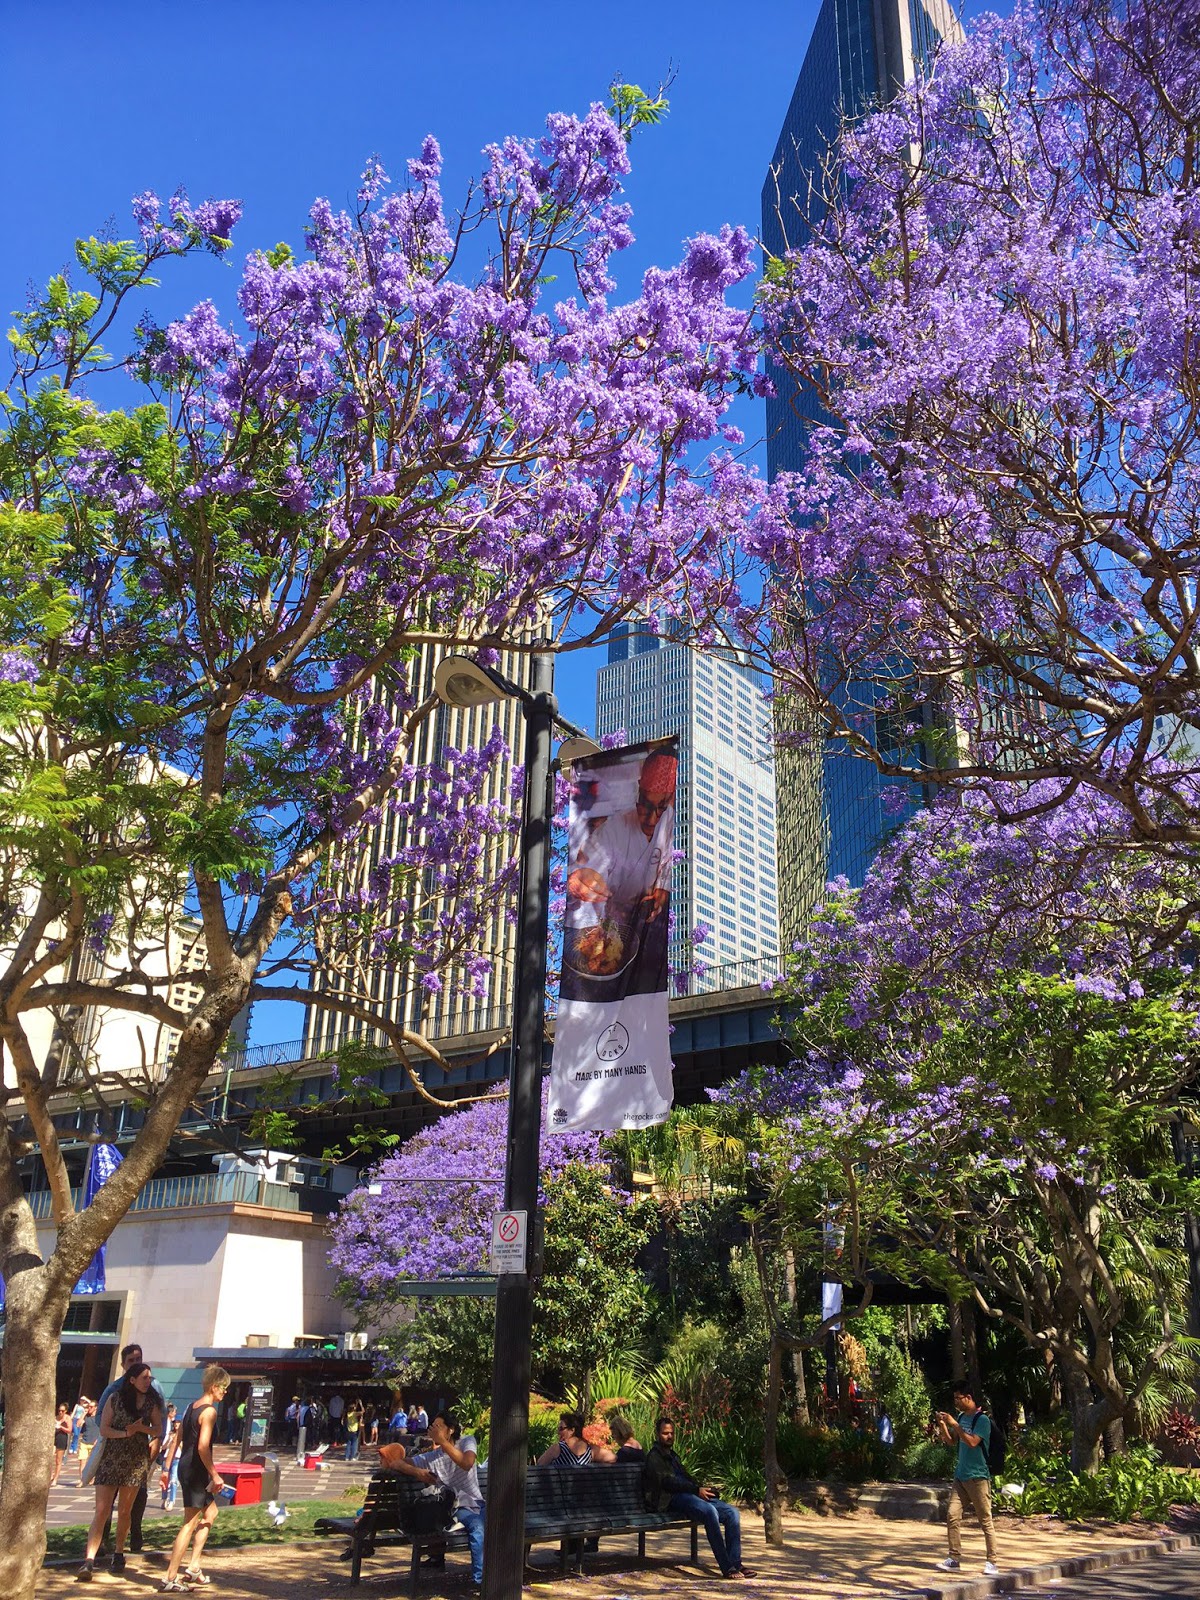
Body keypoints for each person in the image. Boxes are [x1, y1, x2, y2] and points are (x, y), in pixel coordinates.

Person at [77, 1361, 162, 1581]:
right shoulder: (115, 1398)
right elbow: (104, 1429)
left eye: (149, 1377)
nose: (148, 1381)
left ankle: (118, 1552)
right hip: (112, 1458)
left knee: (125, 1511)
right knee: (101, 1510)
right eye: (144, 1377)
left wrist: (141, 1429)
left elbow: (158, 1429)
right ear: (132, 1380)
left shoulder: (151, 1402)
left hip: (135, 1462)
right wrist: (126, 1433)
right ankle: (89, 1560)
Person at [643, 1416, 755, 1582]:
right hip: (670, 1499)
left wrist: (703, 1489)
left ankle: (736, 1563)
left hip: (689, 1494)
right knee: (709, 1512)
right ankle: (727, 1567)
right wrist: (696, 1490)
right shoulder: (654, 1457)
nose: (669, 1436)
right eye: (665, 1433)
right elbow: (668, 1483)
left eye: (672, 1433)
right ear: (658, 1434)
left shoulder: (673, 1456)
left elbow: (685, 1478)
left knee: (732, 1512)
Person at [389, 1413, 486, 1588]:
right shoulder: (432, 1457)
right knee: (478, 1528)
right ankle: (481, 1582)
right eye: (432, 1426)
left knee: (502, 1526)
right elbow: (396, 1463)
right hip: (458, 1507)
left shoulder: (467, 1441)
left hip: (477, 1502)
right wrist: (418, 1472)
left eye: (438, 1426)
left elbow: (467, 1463)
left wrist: (443, 1442)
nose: (433, 1430)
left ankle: (499, 1577)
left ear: (451, 1430)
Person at [159, 1364, 231, 1593]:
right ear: (214, 1386)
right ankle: (170, 1577)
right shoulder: (209, 1412)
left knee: (211, 1513)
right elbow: (202, 1447)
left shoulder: (191, 1406)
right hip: (196, 1470)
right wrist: (215, 1475)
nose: (225, 1392)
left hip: (186, 1467)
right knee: (189, 1523)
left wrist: (166, 1468)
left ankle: (193, 1567)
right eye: (223, 1387)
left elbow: (177, 1438)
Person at [94, 1342, 167, 1556]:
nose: (136, 1363)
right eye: (131, 1360)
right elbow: (100, 1419)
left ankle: (135, 1534)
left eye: (139, 1359)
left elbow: (161, 1418)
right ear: (123, 1364)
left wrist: (156, 1439)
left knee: (137, 1496)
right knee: (107, 1501)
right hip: (115, 1452)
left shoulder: (153, 1386)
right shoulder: (114, 1390)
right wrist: (121, 1431)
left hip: (140, 1453)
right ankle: (102, 1540)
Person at [934, 1387, 1000, 1577]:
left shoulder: (982, 1420)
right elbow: (952, 1442)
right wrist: (943, 1425)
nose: (955, 1401)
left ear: (968, 1397)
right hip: (961, 1476)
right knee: (952, 1515)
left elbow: (972, 1442)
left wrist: (955, 1424)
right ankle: (954, 1558)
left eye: (958, 1398)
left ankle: (992, 1561)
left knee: (985, 1520)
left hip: (978, 1477)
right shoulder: (962, 1418)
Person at [160, 1407, 182, 1511]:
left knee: (173, 1480)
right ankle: (164, 1499)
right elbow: (163, 1447)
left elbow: (183, 1448)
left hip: (176, 1459)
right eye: (175, 1423)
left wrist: (177, 1441)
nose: (176, 1424)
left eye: (178, 1423)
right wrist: (169, 1439)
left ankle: (172, 1501)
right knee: (165, 1480)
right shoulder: (170, 1433)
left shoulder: (182, 1435)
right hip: (166, 1458)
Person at [76, 1402, 101, 1485]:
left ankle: (91, 1478)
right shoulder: (86, 1416)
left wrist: (98, 1439)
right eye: (88, 1406)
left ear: (96, 1407)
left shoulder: (99, 1417)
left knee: (93, 1463)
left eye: (91, 1407)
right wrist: (83, 1414)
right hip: (84, 1441)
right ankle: (82, 1480)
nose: (89, 1408)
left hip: (94, 1443)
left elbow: (102, 1429)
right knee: (82, 1462)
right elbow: (78, 1424)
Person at [53, 1402, 71, 1485]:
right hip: (54, 1438)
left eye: (62, 1411)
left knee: (58, 1460)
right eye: (59, 1410)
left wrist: (61, 1427)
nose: (60, 1412)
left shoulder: (67, 1418)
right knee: (50, 1458)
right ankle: (51, 1475)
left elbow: (69, 1430)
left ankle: (55, 1478)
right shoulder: (55, 1417)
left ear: (65, 1411)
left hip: (62, 1438)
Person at [345, 1397, 364, 1462]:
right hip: (354, 1431)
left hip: (349, 1430)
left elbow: (354, 1409)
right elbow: (363, 1411)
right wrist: (360, 1404)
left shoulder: (348, 1414)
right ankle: (353, 1457)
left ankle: (347, 1457)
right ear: (353, 1409)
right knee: (354, 1444)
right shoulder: (354, 1414)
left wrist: (356, 1403)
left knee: (348, 1444)